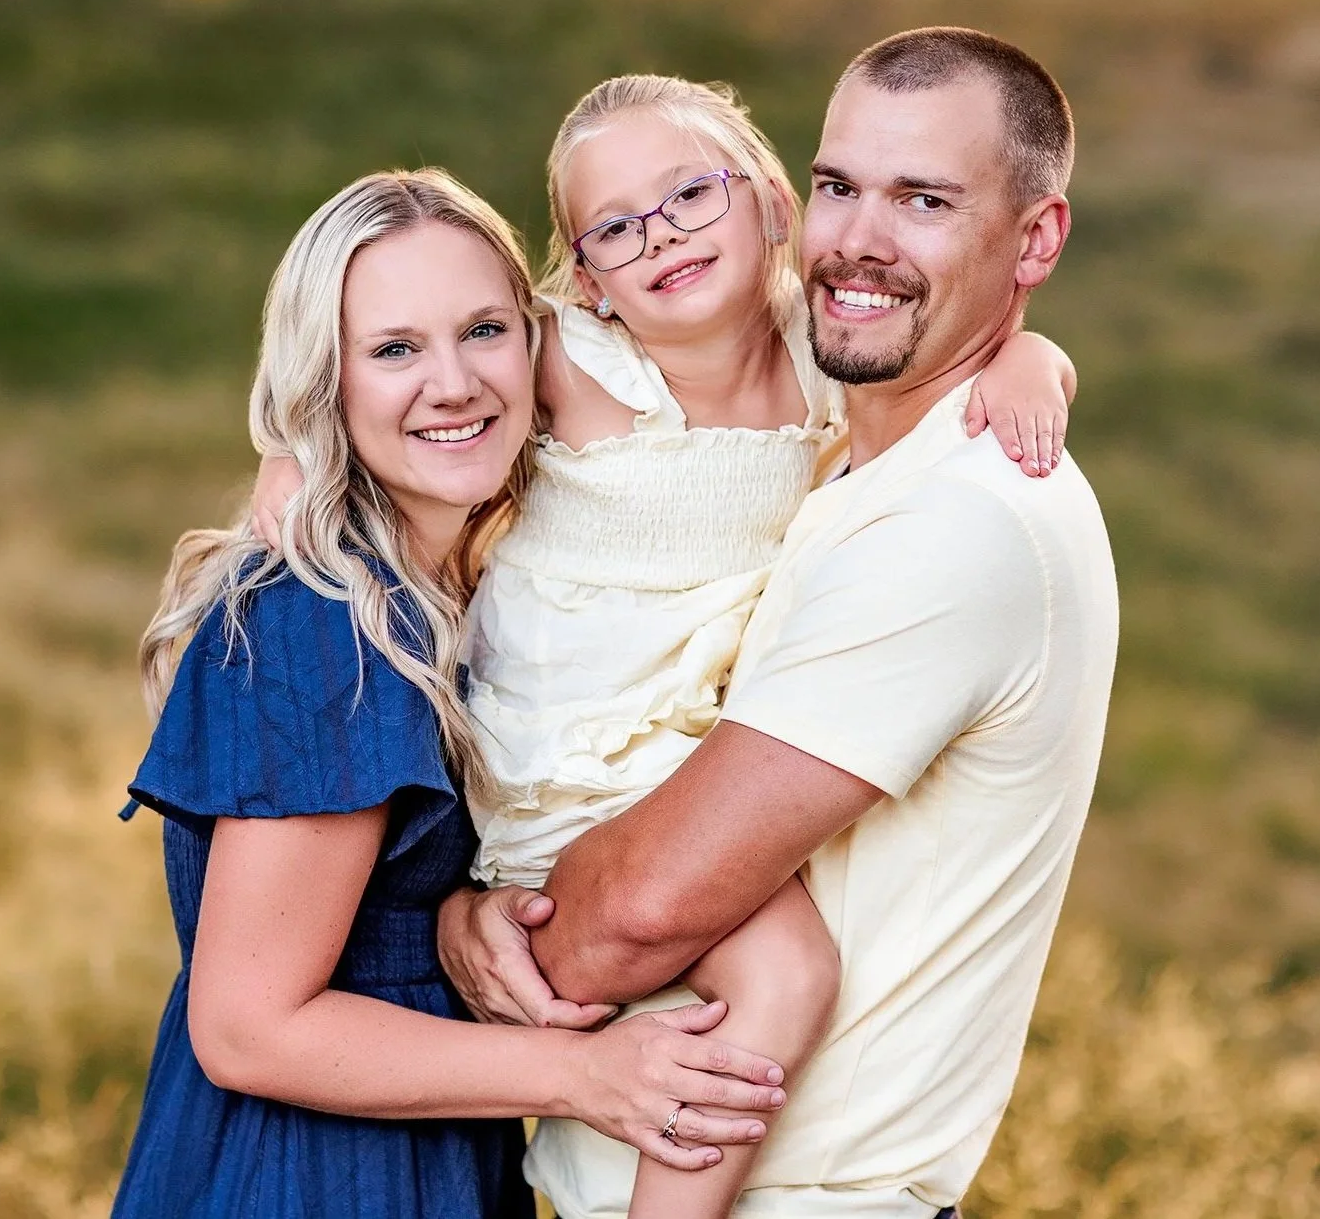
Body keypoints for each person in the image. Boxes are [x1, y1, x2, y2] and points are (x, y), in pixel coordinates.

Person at [256, 75, 1077, 1219]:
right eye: (617, 227)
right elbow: (428, 381)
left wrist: (1032, 364)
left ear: (776, 206)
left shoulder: (825, 354)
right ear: (585, 276)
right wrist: (293, 466)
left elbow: (969, 331)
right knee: (784, 969)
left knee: (784, 973)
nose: (665, 236)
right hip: (565, 746)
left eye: (694, 192)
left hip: (685, 748)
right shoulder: (577, 361)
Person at [112, 169, 791, 1219]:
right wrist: (586, 1077)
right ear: (323, 382)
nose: (456, 383)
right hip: (305, 1175)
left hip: (429, 1149)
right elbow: (249, 1026)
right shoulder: (321, 621)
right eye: (393, 350)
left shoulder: (453, 593)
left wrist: (462, 917)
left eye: (483, 331)